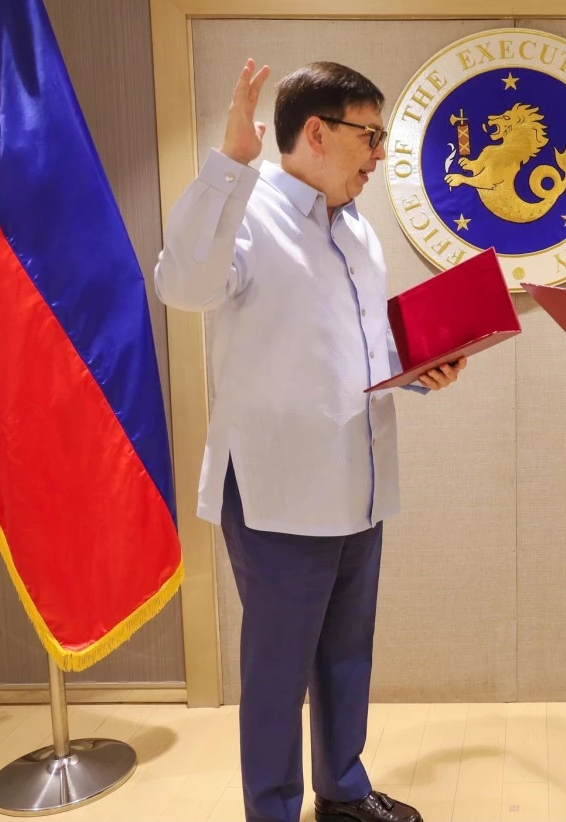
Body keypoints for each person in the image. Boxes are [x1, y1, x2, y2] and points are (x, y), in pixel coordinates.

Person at [155, 59, 461, 822]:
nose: (379, 154)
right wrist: (228, 163)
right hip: (275, 486)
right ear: (316, 133)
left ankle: (343, 791)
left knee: (345, 652)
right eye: (370, 134)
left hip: (355, 475)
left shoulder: (354, 226)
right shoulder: (247, 212)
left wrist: (416, 369)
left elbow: (354, 346)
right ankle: (273, 809)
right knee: (277, 668)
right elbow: (182, 285)